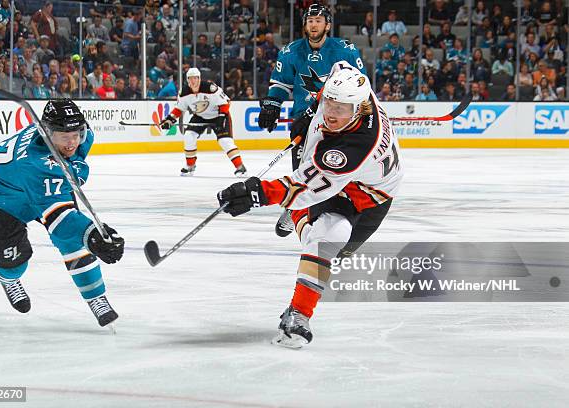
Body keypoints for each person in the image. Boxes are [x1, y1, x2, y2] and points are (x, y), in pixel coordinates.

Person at [217, 61, 403, 348]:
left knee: (336, 254)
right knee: (329, 237)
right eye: (329, 103)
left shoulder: (352, 149)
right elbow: (338, 71)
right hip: (334, 182)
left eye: (340, 110)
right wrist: (311, 108)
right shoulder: (353, 88)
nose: (330, 114)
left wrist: (256, 194)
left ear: (359, 110)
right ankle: (299, 315)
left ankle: (296, 216)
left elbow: (304, 188)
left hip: (371, 196)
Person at [0, 99, 124, 327]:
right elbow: (59, 220)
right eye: (65, 137)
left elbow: (66, 223)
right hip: (0, 198)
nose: (73, 142)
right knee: (13, 264)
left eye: (76, 134)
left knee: (73, 241)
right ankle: (8, 278)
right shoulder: (33, 164)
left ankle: (96, 298)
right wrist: (93, 235)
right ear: (47, 134)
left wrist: (86, 234)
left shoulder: (80, 136)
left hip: (42, 185)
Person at [258, 3, 367, 237]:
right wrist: (273, 104)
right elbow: (280, 84)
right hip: (303, 122)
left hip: (337, 120)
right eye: (310, 21)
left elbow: (360, 85)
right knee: (304, 172)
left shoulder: (345, 51)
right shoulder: (290, 52)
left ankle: (331, 215)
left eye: (318, 21)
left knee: (336, 168)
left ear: (327, 25)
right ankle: (298, 207)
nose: (313, 25)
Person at [159, 68, 248, 177]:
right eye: (190, 79)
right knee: (188, 136)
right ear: (187, 80)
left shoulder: (210, 88)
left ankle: (240, 167)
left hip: (219, 115)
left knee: (225, 141)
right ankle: (190, 166)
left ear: (199, 79)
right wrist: (169, 120)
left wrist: (221, 118)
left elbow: (226, 103)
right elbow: (179, 109)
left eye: (195, 78)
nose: (193, 81)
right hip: (200, 116)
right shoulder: (184, 93)